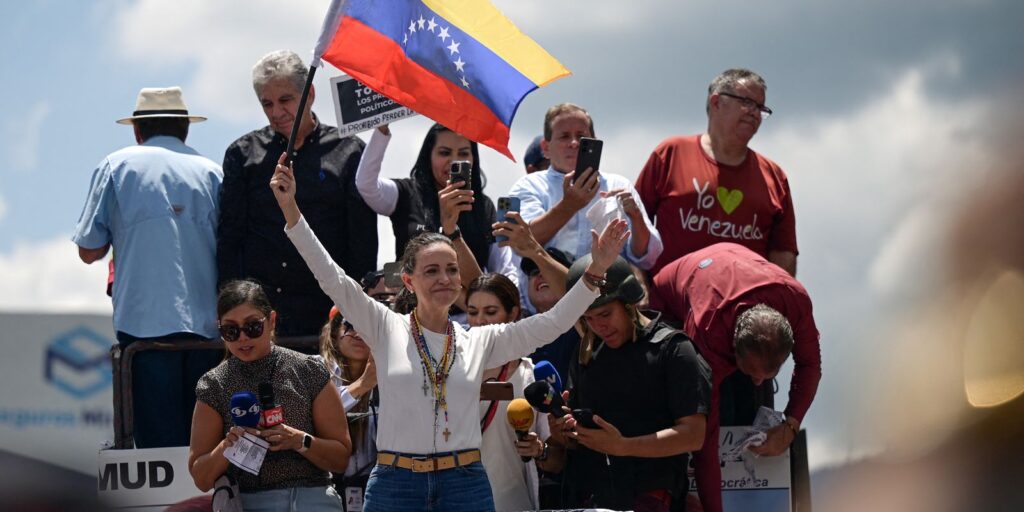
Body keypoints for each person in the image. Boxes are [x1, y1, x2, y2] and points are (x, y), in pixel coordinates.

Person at [270, 152, 628, 511]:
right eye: (432, 271)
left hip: (465, 482)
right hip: (397, 483)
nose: (445, 279)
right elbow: (330, 276)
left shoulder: (482, 340)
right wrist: (290, 209)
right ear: (408, 281)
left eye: (452, 270)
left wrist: (596, 270)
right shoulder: (384, 326)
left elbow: (552, 323)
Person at [72, 86, 222, 448]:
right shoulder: (213, 172)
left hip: (144, 330)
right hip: (210, 331)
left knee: (158, 453)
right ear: (185, 128)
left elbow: (89, 251)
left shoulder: (116, 166)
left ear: (138, 131)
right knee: (209, 448)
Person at [650, 242, 821, 512]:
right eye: (750, 371)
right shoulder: (708, 332)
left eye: (770, 372)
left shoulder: (796, 299)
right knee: (696, 418)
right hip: (667, 302)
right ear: (733, 350)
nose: (758, 380)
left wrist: (790, 425)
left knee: (752, 394)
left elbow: (810, 366)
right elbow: (704, 437)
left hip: (733, 274)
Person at [218, 50, 377, 336]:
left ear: (310, 94)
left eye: (286, 100)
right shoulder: (242, 154)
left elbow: (363, 241)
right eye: (267, 103)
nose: (277, 112)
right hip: (260, 321)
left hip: (328, 317)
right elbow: (230, 239)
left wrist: (357, 310)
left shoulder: (349, 150)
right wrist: (230, 311)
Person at [555, 255, 712, 512]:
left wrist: (624, 447)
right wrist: (563, 428)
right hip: (592, 496)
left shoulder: (674, 350)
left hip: (652, 494)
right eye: (588, 319)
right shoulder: (586, 352)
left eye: (605, 314)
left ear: (629, 302)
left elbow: (693, 435)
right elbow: (573, 435)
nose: (598, 326)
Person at [189, 279, 352, 510]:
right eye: (231, 331)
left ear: (272, 320)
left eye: (253, 326)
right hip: (249, 502)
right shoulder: (214, 385)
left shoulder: (308, 370)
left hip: (313, 499)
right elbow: (201, 478)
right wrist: (228, 445)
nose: (243, 338)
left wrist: (299, 440)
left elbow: (341, 458)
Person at [635, 68, 798, 278]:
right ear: (716, 102)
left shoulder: (774, 176)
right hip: (670, 304)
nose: (754, 113)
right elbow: (632, 221)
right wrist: (638, 286)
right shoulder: (671, 154)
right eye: (746, 102)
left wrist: (778, 300)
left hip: (744, 307)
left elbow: (783, 250)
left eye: (760, 107)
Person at [355, 124, 517, 302]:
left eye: (463, 154)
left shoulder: (484, 207)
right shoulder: (407, 193)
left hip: (469, 318)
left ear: (474, 159)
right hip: (414, 313)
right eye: (444, 153)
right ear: (428, 156)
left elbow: (502, 272)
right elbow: (366, 185)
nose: (454, 161)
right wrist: (381, 130)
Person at [508, 102, 662, 268]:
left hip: (606, 291)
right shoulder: (529, 186)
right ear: (546, 148)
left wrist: (636, 218)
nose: (574, 143)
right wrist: (569, 206)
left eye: (581, 136)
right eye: (564, 136)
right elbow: (521, 244)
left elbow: (647, 258)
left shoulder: (619, 185)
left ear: (594, 142)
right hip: (549, 291)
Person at [466, 273, 565, 512]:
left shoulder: (532, 376)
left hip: (513, 503)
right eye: (472, 312)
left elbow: (557, 461)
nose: (480, 321)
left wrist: (539, 451)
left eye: (490, 312)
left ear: (513, 314)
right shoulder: (448, 372)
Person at [318, 305, 378, 509]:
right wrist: (362, 385)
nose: (358, 333)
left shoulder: (389, 375)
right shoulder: (317, 369)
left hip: (375, 486)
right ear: (335, 334)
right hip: (326, 487)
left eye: (366, 327)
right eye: (350, 325)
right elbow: (318, 416)